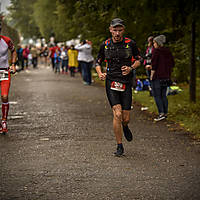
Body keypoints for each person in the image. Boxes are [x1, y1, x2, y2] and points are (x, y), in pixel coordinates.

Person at [95, 18, 141, 156]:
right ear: (110, 30)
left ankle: (125, 126)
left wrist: (131, 68)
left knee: (125, 118)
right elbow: (97, 62)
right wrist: (100, 73)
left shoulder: (130, 43)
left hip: (126, 82)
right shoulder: (105, 45)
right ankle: (119, 145)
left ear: (123, 30)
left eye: (119, 30)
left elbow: (139, 59)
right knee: (117, 113)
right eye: (115, 30)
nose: (117, 33)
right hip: (111, 81)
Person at [150, 35, 175, 122]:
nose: (153, 44)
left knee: (157, 95)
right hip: (166, 77)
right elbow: (172, 63)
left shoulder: (156, 52)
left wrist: (151, 75)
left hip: (158, 76)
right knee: (163, 95)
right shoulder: (168, 51)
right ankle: (165, 112)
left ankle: (161, 113)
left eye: (154, 42)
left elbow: (154, 65)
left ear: (158, 43)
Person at [0, 21, 17, 134]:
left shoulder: (6, 40)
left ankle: (4, 120)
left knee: (4, 96)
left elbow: (13, 51)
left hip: (4, 72)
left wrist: (13, 64)